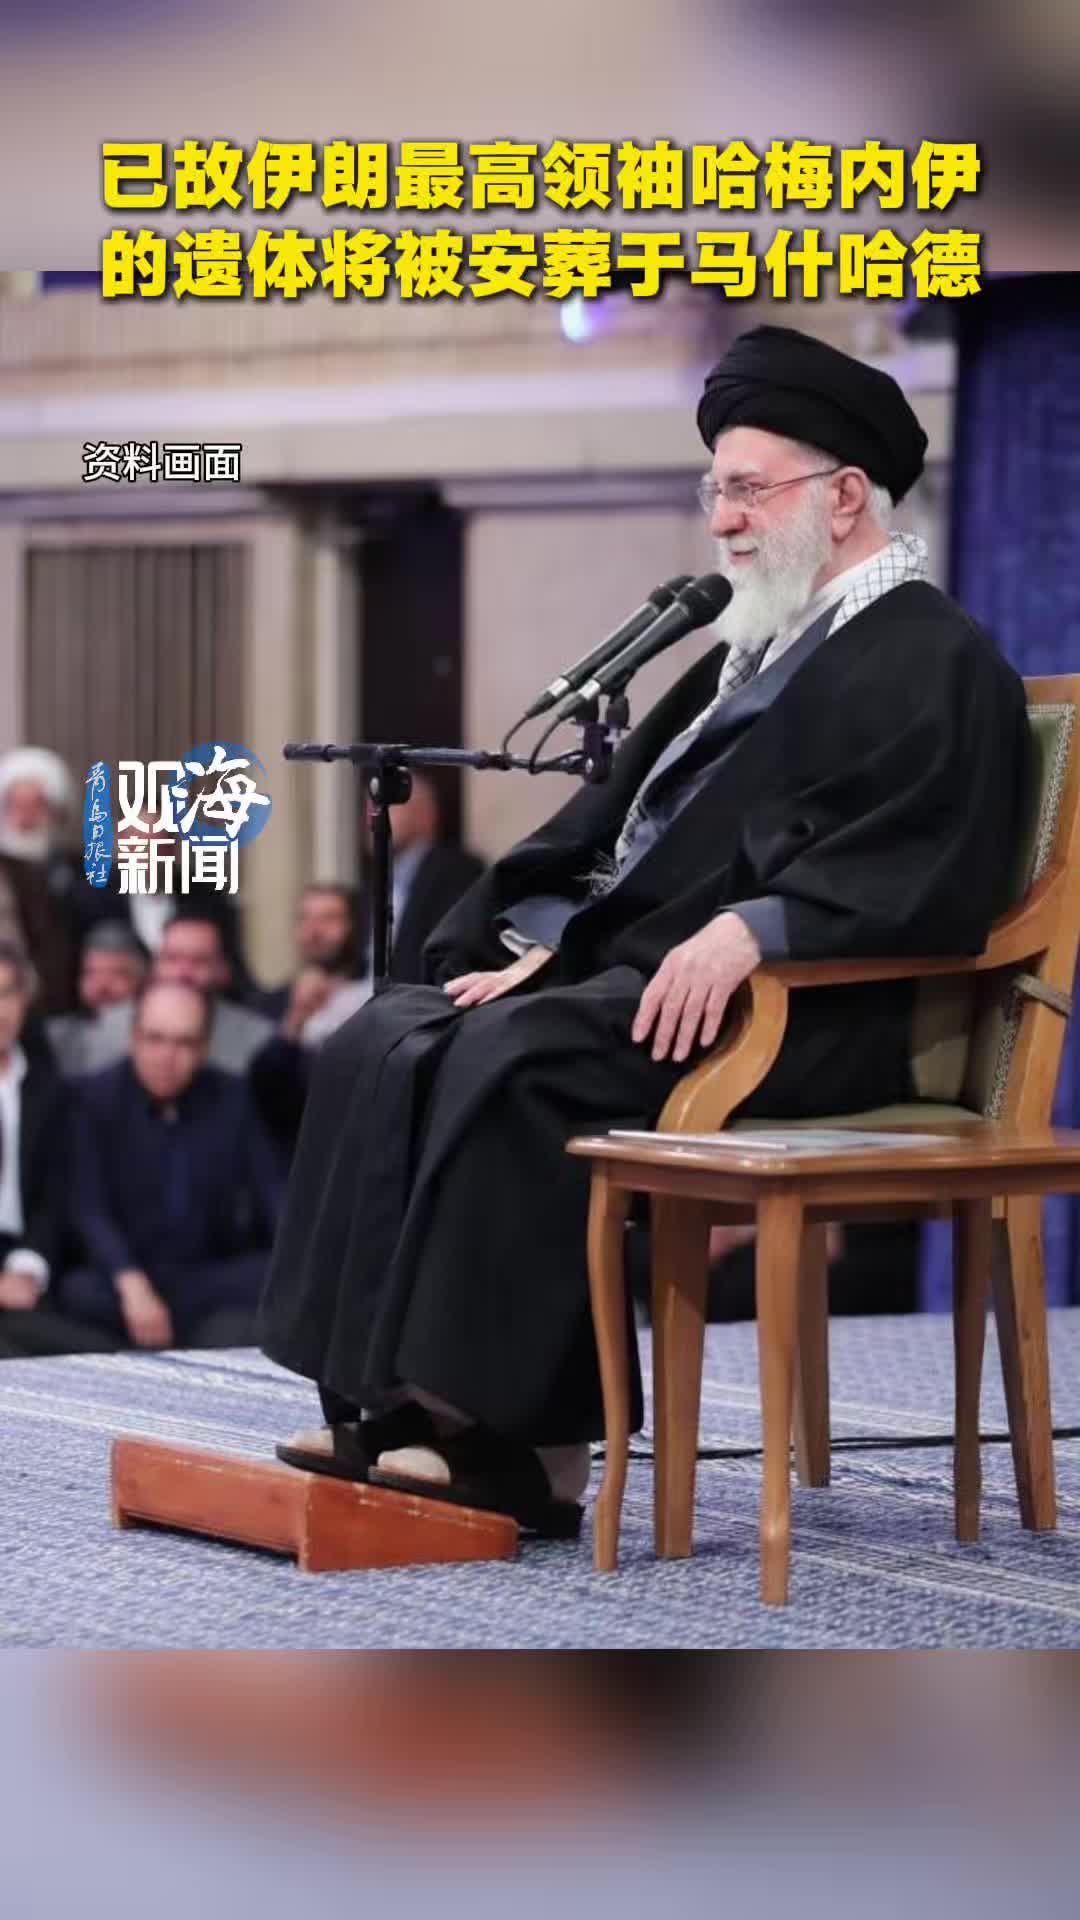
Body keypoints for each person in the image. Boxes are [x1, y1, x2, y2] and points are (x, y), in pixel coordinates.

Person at [261, 324, 1030, 1536]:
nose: (723, 521)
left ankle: (527, 1445)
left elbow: (935, 861)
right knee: (395, 1028)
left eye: (748, 490)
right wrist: (535, 940)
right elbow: (617, 832)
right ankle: (387, 1398)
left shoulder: (937, 659)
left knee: (517, 1061)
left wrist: (759, 929)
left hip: (811, 1013)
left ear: (843, 497)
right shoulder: (751, 650)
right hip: (656, 983)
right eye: (714, 491)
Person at [58, 980, 283, 1349]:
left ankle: (166, 1333)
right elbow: (89, 1208)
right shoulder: (93, 1099)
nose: (167, 1056)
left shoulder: (231, 1096)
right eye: (155, 1039)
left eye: (184, 1043)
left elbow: (272, 1189)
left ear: (204, 1048)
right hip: (125, 1276)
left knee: (275, 1275)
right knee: (78, 1291)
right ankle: (176, 1332)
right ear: (134, 1038)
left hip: (204, 1275)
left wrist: (296, 1264)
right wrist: (132, 1285)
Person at [82, 912, 273, 1075]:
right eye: (172, 959)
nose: (183, 973)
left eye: (199, 961)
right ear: (155, 965)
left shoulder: (257, 1039)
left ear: (223, 969)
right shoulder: (113, 1027)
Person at [46, 921, 148, 1078]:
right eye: (91, 973)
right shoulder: (54, 1035)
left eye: (118, 973)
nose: (102, 985)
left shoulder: (153, 1037)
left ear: (142, 979)